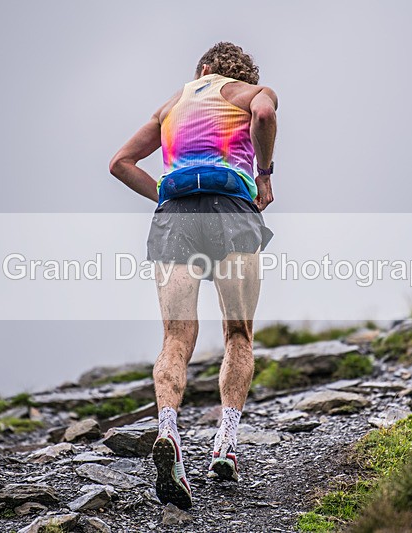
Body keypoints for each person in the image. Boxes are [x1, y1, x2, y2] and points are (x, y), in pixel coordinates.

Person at [109, 42, 278, 510]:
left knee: (175, 337)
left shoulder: (170, 106)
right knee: (238, 333)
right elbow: (264, 115)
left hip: (175, 217)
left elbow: (120, 163)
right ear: (239, 76)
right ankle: (225, 443)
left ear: (202, 69)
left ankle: (168, 431)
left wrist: (166, 195)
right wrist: (264, 174)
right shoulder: (249, 93)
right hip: (231, 209)